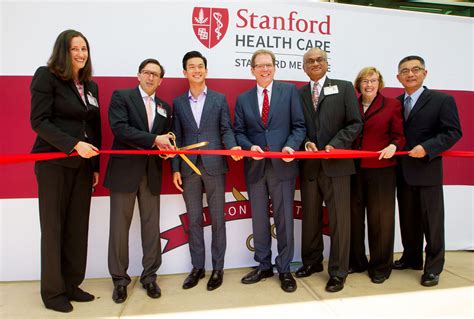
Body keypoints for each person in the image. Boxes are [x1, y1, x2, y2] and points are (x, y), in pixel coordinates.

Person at [30, 29, 101, 313]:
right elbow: (39, 121)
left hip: (83, 166)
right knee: (54, 228)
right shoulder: (46, 76)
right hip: (53, 164)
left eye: (84, 48)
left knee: (76, 228)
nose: (81, 54)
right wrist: (73, 145)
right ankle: (53, 292)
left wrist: (93, 165)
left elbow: (93, 128)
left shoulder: (90, 86)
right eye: (75, 49)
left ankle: (72, 284)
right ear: (63, 51)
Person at [234, 49, 306, 293]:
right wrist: (248, 146)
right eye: (260, 65)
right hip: (255, 167)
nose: (265, 69)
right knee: (260, 220)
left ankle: (284, 269)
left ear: (275, 67)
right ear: (252, 69)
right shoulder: (243, 99)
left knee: (285, 219)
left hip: (282, 167)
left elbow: (299, 126)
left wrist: (290, 146)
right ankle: (263, 266)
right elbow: (239, 131)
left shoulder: (289, 92)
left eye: (269, 65)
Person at [104, 58, 175, 303]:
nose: (150, 77)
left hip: (152, 173)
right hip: (124, 172)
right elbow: (120, 129)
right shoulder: (121, 97)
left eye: (156, 74)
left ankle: (150, 277)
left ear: (161, 80)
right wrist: (155, 139)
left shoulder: (165, 107)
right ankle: (119, 280)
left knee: (151, 227)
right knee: (119, 228)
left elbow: (167, 140)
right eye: (147, 72)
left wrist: (166, 149)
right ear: (138, 75)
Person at [171, 51, 242, 291]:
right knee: (193, 220)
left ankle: (218, 268)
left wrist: (232, 145)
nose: (196, 70)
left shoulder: (219, 99)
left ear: (206, 70)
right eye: (191, 67)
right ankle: (198, 268)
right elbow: (176, 138)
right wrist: (175, 168)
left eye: (200, 66)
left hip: (214, 167)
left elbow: (226, 129)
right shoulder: (178, 103)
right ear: (185, 72)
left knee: (218, 219)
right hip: (188, 167)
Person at [296, 48, 362, 292]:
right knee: (310, 218)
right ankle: (312, 262)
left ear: (326, 63)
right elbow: (298, 125)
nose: (315, 63)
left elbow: (355, 123)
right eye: (309, 61)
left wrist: (335, 144)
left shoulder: (344, 88)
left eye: (319, 59)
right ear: (304, 67)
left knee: (339, 221)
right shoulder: (300, 93)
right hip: (311, 165)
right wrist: (306, 143)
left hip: (338, 166)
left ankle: (338, 272)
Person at [394, 55, 462, 287]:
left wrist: (427, 148)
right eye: (405, 71)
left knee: (432, 222)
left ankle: (433, 267)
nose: (410, 74)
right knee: (408, 219)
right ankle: (411, 257)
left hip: (427, 170)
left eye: (415, 69)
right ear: (398, 77)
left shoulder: (442, 100)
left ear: (425, 73)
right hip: (401, 172)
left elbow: (453, 132)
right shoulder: (395, 102)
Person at [349, 67, 405, 284]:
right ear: (358, 84)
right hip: (353, 169)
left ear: (380, 83)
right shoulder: (351, 103)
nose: (369, 84)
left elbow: (400, 136)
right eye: (364, 80)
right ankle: (356, 261)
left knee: (380, 220)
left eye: (373, 80)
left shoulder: (392, 105)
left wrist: (393, 145)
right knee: (354, 217)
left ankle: (381, 266)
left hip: (382, 170)